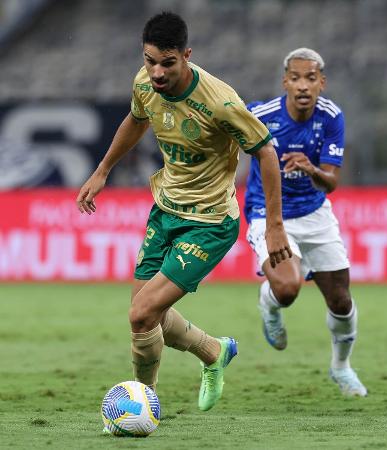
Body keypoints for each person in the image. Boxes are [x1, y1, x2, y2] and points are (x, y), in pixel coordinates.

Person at [76, 11, 291, 412]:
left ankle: (141, 404)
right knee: (145, 319)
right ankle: (213, 351)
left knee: (142, 313)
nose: (156, 72)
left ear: (186, 55)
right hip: (165, 209)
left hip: (209, 222)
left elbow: (265, 151)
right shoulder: (144, 83)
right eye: (149, 60)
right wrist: (103, 170)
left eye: (167, 63)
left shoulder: (220, 102)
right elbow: (137, 120)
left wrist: (274, 225)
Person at [244, 48, 367, 397]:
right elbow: (224, 140)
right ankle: (269, 304)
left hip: (315, 215)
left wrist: (311, 168)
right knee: (287, 289)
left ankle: (341, 368)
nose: (302, 85)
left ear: (321, 83)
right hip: (268, 215)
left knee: (341, 301)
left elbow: (332, 181)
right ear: (285, 81)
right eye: (295, 78)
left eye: (310, 78)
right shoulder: (260, 115)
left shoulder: (331, 117)